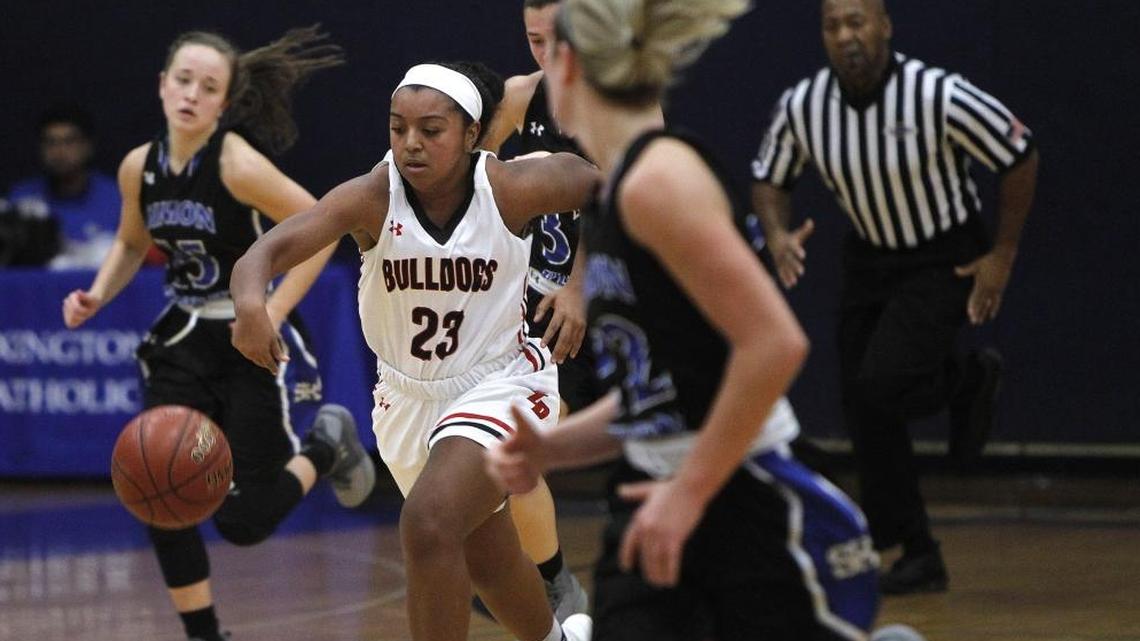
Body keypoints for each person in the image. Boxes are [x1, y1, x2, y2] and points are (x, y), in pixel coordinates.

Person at [486, 1, 880, 640]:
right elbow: (665, 391)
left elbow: (775, 345)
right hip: (652, 488)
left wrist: (691, 491)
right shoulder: (614, 191)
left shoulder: (656, 182)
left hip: (742, 494)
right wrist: (554, 446)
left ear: (565, 64)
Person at [230, 61, 598, 641]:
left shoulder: (510, 187)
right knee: (487, 556)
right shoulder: (375, 195)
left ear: (472, 134)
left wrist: (579, 283)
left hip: (498, 383)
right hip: (405, 399)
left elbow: (610, 186)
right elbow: (269, 250)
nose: (410, 144)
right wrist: (251, 302)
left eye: (431, 130)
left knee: (427, 526)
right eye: (398, 128)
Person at [60, 27, 375, 641]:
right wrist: (98, 293)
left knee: (244, 522)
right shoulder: (138, 167)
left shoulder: (234, 164)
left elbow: (323, 229)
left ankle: (327, 448)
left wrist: (271, 313)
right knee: (157, 491)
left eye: (208, 88)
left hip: (247, 339)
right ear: (161, 85)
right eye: (182, 80)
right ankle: (204, 634)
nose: (191, 95)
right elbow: (132, 241)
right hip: (182, 337)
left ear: (223, 104)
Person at [749, 0, 1038, 594]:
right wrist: (777, 233)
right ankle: (917, 551)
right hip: (871, 256)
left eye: (857, 22)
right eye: (832, 26)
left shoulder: (937, 93)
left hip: (944, 254)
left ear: (884, 25)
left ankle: (966, 381)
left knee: (882, 384)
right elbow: (769, 179)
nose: (846, 36)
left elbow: (1019, 152)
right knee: (863, 406)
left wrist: (1001, 255)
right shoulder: (804, 105)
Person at [471, 0, 594, 621]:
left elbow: (625, 203)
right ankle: (546, 577)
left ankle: (549, 578)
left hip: (602, 297)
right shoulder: (522, 95)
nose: (547, 54)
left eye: (559, 38)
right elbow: (472, 179)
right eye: (533, 39)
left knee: (519, 445)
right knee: (502, 444)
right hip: (529, 304)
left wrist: (578, 287)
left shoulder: (621, 94)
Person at [7, 103, 120, 268]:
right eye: (51, 143)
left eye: (69, 142)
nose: (59, 152)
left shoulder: (118, 198)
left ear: (87, 147)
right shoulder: (21, 199)